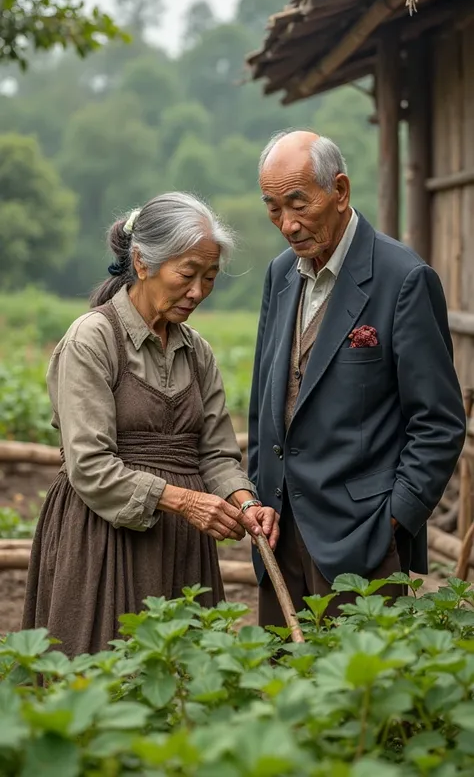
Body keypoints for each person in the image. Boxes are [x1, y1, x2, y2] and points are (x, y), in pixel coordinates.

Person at [23, 192, 279, 656]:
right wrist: (183, 501)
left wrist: (245, 504)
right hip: (103, 538)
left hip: (181, 543)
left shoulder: (196, 351)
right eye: (187, 274)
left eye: (210, 278)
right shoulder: (93, 339)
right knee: (103, 673)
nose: (198, 292)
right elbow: (91, 466)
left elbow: (217, 453)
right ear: (142, 263)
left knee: (181, 683)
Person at [248, 130, 466, 625]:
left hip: (365, 543)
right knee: (285, 690)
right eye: (273, 207)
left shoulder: (403, 278)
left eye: (298, 204)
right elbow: (265, 402)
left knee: (360, 693)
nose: (287, 224)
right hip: (281, 537)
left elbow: (438, 423)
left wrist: (392, 521)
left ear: (340, 191)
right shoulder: (281, 274)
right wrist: (263, 498)